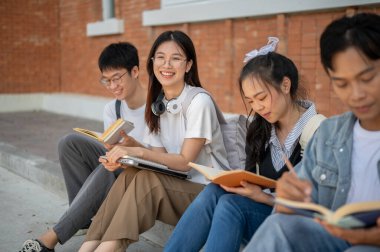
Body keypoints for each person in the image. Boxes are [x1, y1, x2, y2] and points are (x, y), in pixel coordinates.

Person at [78, 30, 229, 252]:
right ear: (152, 62)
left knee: (147, 182)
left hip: (208, 194)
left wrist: (139, 153)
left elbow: (184, 162)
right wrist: (129, 150)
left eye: (175, 58)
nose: (166, 64)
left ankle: (110, 248)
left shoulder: (199, 102)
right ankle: (90, 247)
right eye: (160, 57)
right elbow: (160, 161)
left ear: (188, 65)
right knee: (132, 175)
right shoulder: (158, 104)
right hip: (179, 186)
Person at [164, 37, 320, 252]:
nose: (258, 107)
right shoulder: (260, 128)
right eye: (251, 101)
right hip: (265, 214)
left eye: (261, 97)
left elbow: (318, 206)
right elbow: (252, 178)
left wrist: (262, 196)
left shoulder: (320, 132)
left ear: (285, 85)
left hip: (297, 226)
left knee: (231, 206)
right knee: (214, 191)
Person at [244, 12, 380, 252]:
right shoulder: (330, 133)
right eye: (342, 83)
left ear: (286, 86)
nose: (356, 94)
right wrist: (287, 198)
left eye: (367, 78)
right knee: (278, 225)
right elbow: (289, 207)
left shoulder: (313, 126)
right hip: (330, 236)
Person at [20, 42, 147, 252]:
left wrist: (129, 150)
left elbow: (163, 153)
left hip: (146, 168)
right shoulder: (113, 107)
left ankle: (50, 238)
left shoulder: (156, 105)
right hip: (123, 163)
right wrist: (112, 148)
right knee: (70, 143)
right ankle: (83, 218)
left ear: (135, 71)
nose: (113, 86)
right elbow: (112, 148)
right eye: (106, 80)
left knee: (109, 167)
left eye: (117, 78)